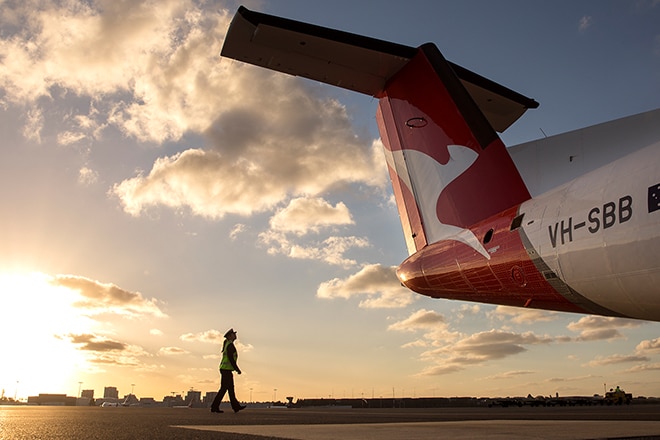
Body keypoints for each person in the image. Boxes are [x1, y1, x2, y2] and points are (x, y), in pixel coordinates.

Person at [210, 328, 246, 413]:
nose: (235, 335)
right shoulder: (230, 345)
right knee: (224, 389)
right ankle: (215, 407)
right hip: (226, 370)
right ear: (230, 336)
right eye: (233, 334)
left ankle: (235, 407)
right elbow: (231, 359)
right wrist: (237, 369)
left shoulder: (227, 344)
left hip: (225, 369)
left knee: (230, 389)